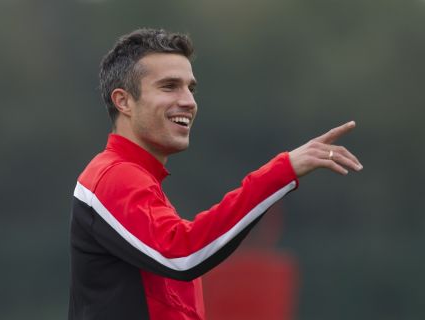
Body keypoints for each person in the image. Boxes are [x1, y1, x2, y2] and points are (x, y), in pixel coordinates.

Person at [68, 28, 362, 320]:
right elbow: (182, 254)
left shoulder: (139, 181)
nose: (188, 101)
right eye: (169, 86)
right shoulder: (112, 176)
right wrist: (281, 172)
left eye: (190, 88)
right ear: (123, 101)